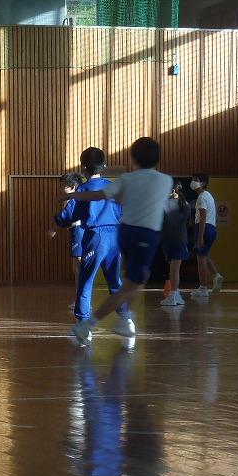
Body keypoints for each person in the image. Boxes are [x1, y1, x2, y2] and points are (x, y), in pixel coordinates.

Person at [64, 137, 173, 344]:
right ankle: (121, 320)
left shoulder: (123, 180)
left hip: (118, 234)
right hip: (134, 235)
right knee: (125, 282)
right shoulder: (165, 181)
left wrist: (71, 200)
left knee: (92, 282)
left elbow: (100, 196)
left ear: (133, 159)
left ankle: (87, 324)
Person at [54, 148, 128, 334]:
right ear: (103, 166)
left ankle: (83, 326)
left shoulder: (83, 189)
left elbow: (68, 215)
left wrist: (57, 220)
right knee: (115, 282)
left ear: (83, 167)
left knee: (86, 281)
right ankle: (127, 321)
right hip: (116, 236)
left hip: (96, 236)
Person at [49, 172, 85, 310]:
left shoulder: (76, 198)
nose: (61, 188)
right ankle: (79, 299)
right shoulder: (69, 199)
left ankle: (83, 300)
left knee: (80, 267)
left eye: (63, 185)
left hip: (79, 231)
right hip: (75, 231)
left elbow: (66, 218)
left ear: (73, 186)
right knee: (76, 269)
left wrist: (54, 229)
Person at [190, 173, 223, 298]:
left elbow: (203, 216)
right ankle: (216, 275)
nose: (193, 182)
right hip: (211, 228)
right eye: (192, 179)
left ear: (203, 183)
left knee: (200, 259)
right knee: (204, 256)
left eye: (196, 180)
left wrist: (200, 237)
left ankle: (203, 288)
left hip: (204, 228)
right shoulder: (208, 195)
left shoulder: (202, 197)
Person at [160, 183, 190, 307]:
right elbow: (186, 223)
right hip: (180, 239)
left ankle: (173, 295)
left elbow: (161, 222)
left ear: (172, 190)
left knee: (173, 269)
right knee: (175, 269)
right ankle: (175, 294)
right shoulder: (186, 204)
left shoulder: (163, 203)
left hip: (168, 240)